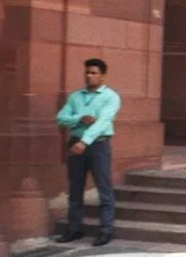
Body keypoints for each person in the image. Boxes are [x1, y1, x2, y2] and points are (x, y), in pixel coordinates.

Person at [54, 58, 121, 246]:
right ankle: (74, 229)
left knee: (103, 188)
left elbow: (103, 122)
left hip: (98, 145)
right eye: (87, 72)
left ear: (103, 75)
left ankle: (105, 231)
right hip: (75, 144)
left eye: (94, 73)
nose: (89, 76)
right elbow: (61, 118)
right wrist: (79, 118)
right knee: (75, 189)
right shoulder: (75, 97)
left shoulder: (111, 97)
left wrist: (85, 141)